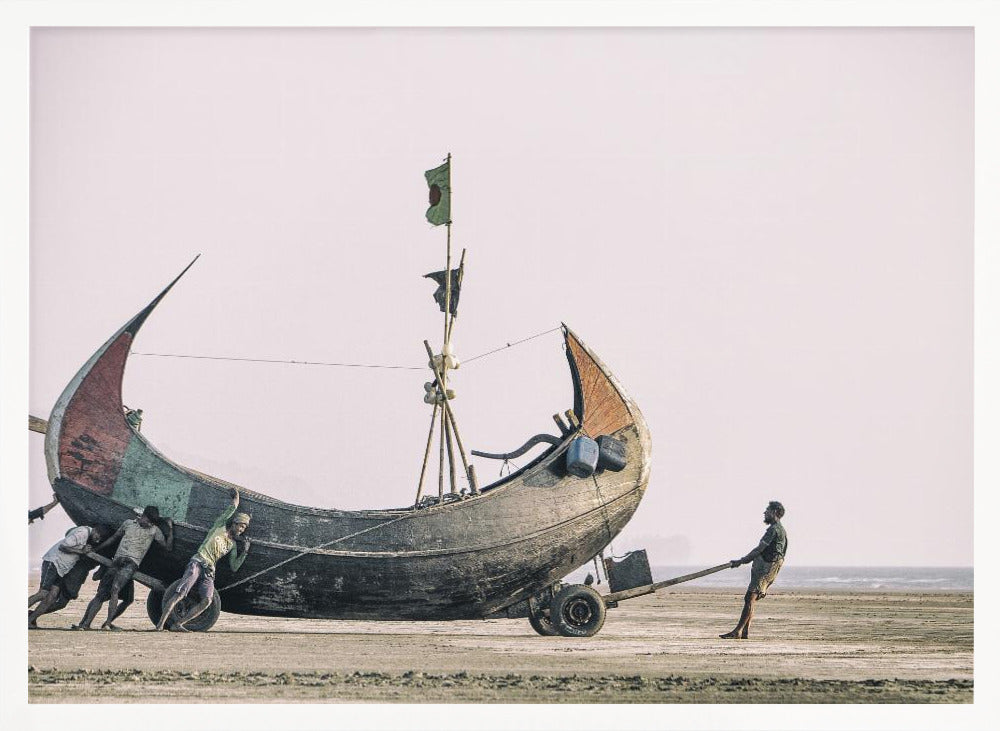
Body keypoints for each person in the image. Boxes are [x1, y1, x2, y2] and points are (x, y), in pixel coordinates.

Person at [156, 488, 250, 632]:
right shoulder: (219, 527)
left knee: (207, 600)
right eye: (241, 525)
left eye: (244, 528)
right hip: (198, 562)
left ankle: (178, 624)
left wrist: (245, 551)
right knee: (180, 593)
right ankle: (160, 625)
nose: (242, 529)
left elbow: (234, 566)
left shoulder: (232, 545)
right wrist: (236, 500)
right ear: (234, 523)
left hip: (210, 571)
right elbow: (230, 510)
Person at [73, 505, 174, 630]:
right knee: (101, 594)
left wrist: (170, 530)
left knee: (115, 589)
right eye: (147, 521)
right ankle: (85, 624)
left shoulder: (154, 530)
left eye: (151, 523)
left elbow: (168, 547)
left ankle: (107, 624)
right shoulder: (128, 523)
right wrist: (97, 549)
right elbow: (113, 538)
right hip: (117, 561)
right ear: (143, 516)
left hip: (131, 564)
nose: (148, 524)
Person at [720, 501, 788, 640]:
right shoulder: (779, 530)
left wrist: (741, 561)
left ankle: (737, 631)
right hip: (767, 566)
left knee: (749, 598)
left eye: (767, 510)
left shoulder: (774, 530)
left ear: (775, 512)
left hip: (767, 567)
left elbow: (759, 550)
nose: (764, 513)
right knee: (751, 599)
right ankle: (744, 631)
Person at [29, 524, 108, 628]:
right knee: (43, 593)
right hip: (53, 562)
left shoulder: (87, 537)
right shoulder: (82, 533)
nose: (97, 541)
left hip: (61, 569)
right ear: (96, 531)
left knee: (52, 597)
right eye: (97, 538)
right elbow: (63, 546)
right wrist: (81, 551)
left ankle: (29, 620)